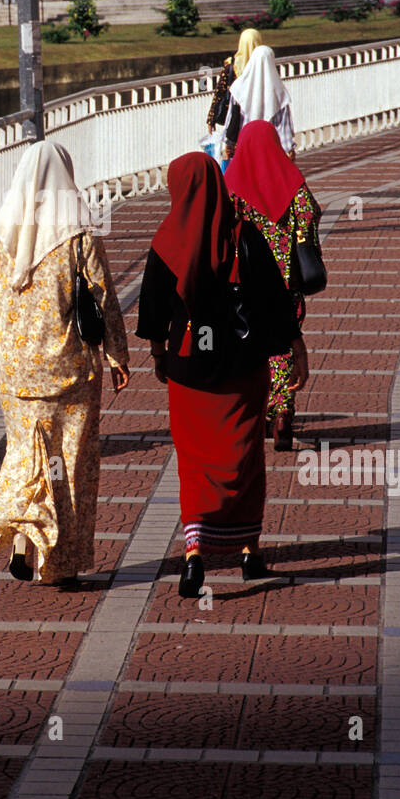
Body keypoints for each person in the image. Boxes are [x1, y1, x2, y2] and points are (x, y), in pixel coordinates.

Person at [137, 152, 307, 598]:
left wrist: (159, 355)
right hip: (243, 368)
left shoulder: (167, 241)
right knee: (246, 455)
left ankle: (194, 555)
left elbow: (152, 310)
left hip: (189, 371)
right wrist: (294, 347)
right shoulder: (245, 236)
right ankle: (250, 552)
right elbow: (274, 301)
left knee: (195, 462)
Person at [0, 141, 129, 585]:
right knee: (68, 463)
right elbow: (102, 298)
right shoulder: (79, 235)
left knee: (26, 455)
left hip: (14, 371)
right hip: (68, 371)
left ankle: (24, 540)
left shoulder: (2, 233)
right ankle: (60, 565)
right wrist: (118, 354)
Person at [224, 120, 322, 450]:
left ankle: (262, 411)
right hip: (286, 280)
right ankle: (283, 412)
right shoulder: (291, 181)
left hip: (248, 279)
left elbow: (221, 221)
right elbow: (310, 212)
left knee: (252, 342)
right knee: (284, 340)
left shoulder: (234, 183)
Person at [221, 43, 295, 159]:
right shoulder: (279, 92)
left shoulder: (238, 88)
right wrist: (289, 148)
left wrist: (228, 142)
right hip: (270, 150)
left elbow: (232, 117)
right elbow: (283, 126)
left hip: (244, 146)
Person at [206, 27, 263, 135]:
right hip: (259, 113)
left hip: (236, 115)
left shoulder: (232, 65)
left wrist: (211, 119)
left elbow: (220, 92)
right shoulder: (264, 64)